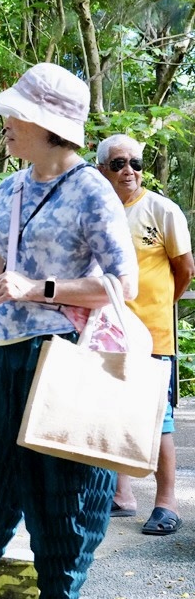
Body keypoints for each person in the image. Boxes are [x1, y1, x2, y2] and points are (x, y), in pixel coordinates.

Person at [0, 63, 139, 599]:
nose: (7, 123)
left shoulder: (91, 190)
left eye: (17, 114)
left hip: (62, 359)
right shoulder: (9, 189)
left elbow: (124, 284)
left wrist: (39, 289)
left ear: (47, 124)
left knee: (65, 500)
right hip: (2, 361)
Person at [96, 133, 193, 536]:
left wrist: (158, 306)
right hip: (105, 334)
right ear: (101, 169)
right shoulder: (97, 211)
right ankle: (122, 495)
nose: (129, 171)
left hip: (152, 335)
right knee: (110, 412)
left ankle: (167, 503)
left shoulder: (161, 210)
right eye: (119, 163)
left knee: (158, 420)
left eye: (135, 163)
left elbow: (185, 269)